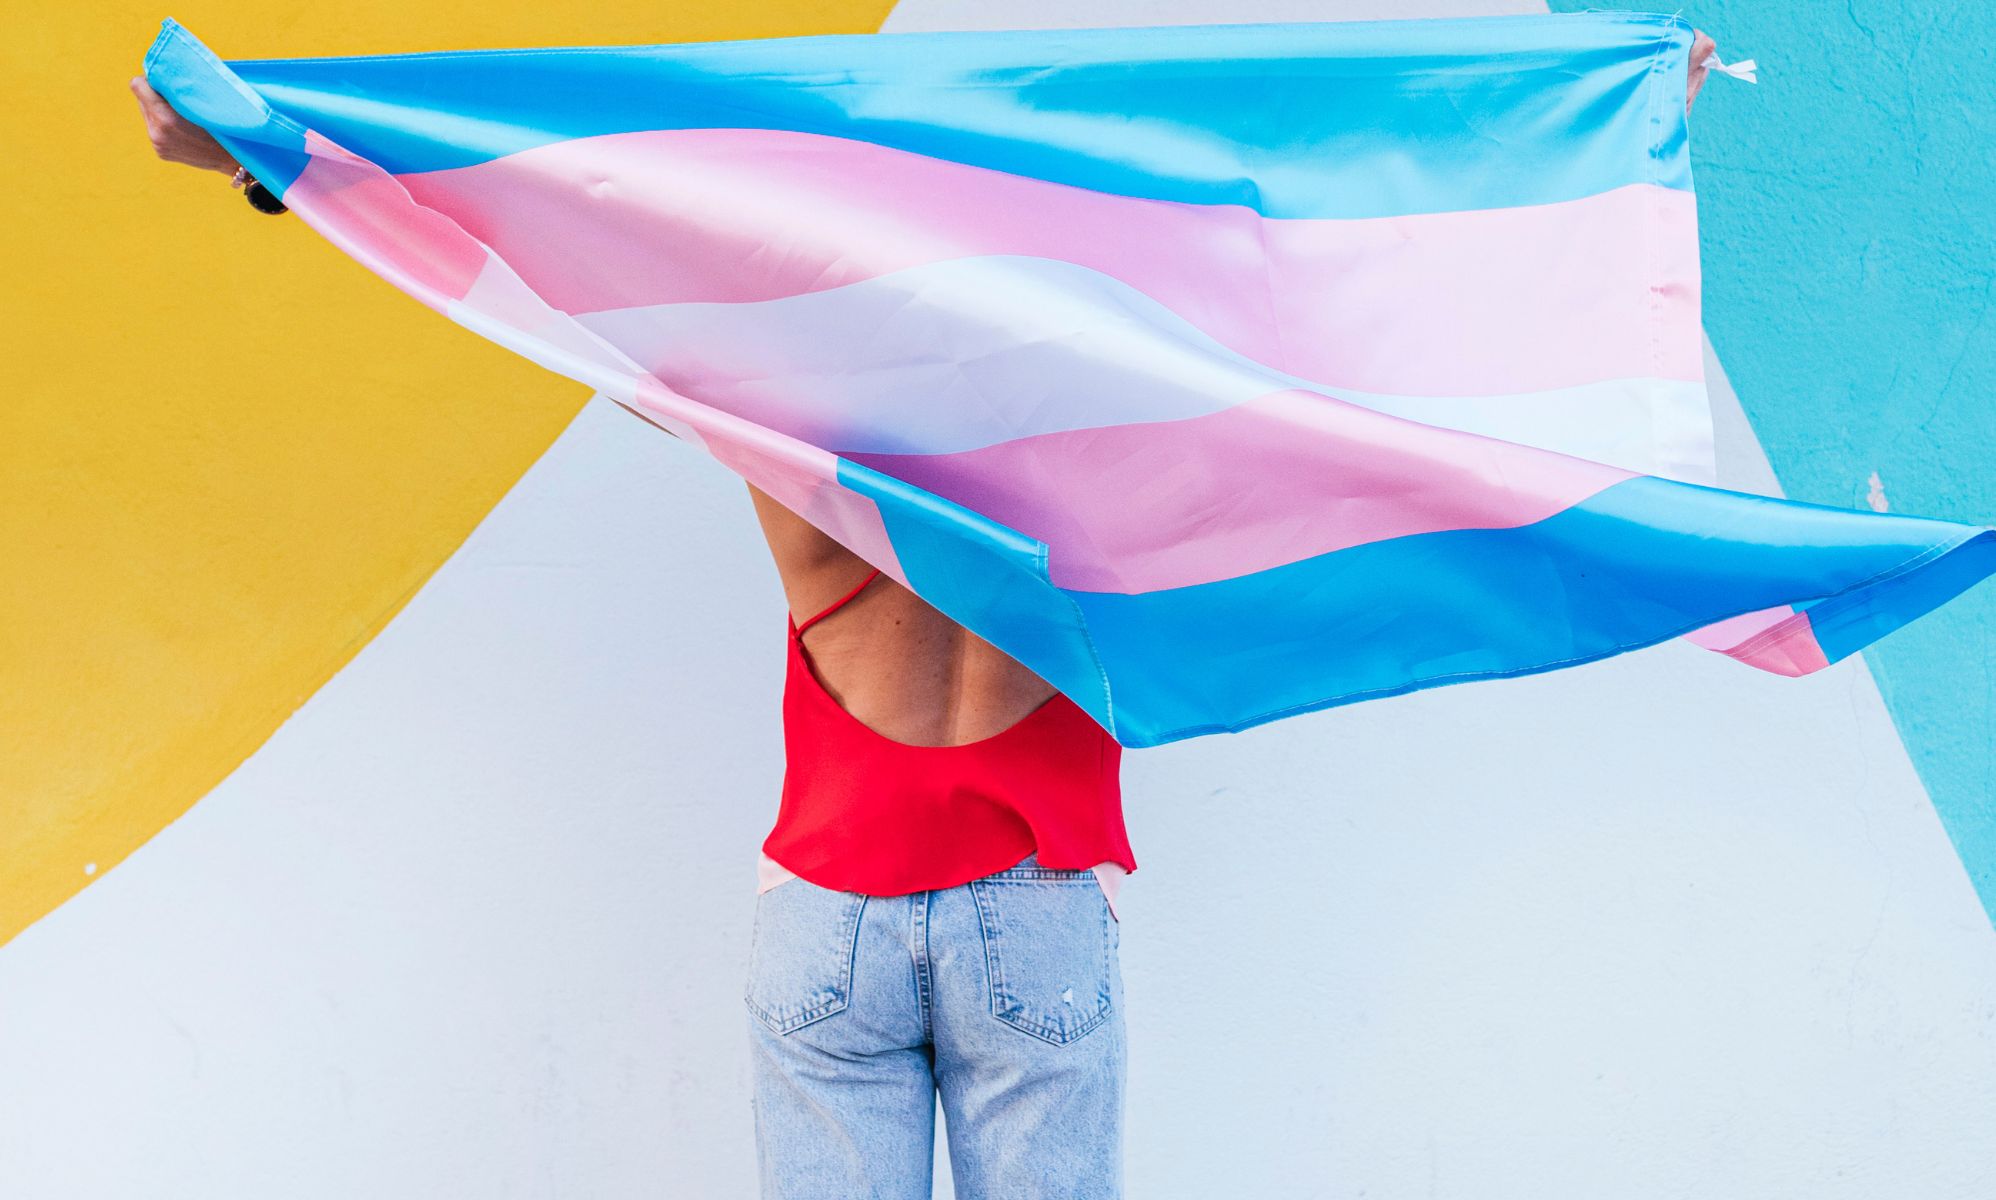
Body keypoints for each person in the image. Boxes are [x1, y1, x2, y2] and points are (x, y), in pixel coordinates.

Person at [129, 27, 1719, 1196]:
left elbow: (549, 281)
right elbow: (1331, 318)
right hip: (1037, 915)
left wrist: (277, 162)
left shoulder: (778, 430)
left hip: (827, 920)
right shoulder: (1122, 447)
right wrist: (1613, 137)